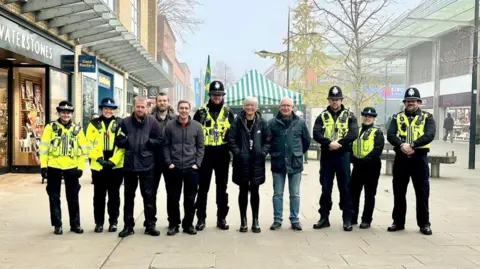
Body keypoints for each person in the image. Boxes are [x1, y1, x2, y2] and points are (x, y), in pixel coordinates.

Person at [387, 87, 435, 235]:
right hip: (401, 158)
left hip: (419, 159)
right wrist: (402, 145)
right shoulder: (397, 117)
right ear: (404, 102)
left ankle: (424, 224)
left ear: (419, 102)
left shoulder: (428, 117)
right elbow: (390, 134)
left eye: (414, 101)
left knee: (422, 192)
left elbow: (429, 135)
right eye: (408, 101)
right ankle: (398, 222)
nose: (411, 103)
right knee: (399, 192)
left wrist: (412, 145)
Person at [39, 101, 89, 235]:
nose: (65, 114)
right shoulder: (50, 128)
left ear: (71, 114)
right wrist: (43, 166)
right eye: (63, 112)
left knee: (73, 197)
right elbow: (43, 148)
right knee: (54, 196)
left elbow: (83, 150)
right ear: (59, 113)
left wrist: (80, 167)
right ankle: (57, 225)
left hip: (72, 167)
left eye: (68, 112)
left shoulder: (78, 130)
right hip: (54, 167)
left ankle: (75, 224)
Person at [312, 86, 358, 232]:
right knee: (326, 188)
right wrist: (328, 143)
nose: (335, 102)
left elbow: (354, 132)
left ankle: (347, 219)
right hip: (327, 157)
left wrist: (339, 143)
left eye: (337, 99)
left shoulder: (350, 115)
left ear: (341, 100)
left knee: (345, 188)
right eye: (332, 99)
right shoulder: (322, 116)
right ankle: (324, 218)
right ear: (329, 100)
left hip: (343, 156)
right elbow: (316, 133)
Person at [115, 96, 162, 238]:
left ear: (147, 108)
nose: (140, 109)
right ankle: (128, 226)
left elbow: (159, 140)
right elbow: (118, 140)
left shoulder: (152, 122)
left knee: (148, 197)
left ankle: (150, 225)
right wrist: (127, 142)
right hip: (130, 166)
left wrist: (149, 144)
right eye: (138, 107)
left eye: (143, 107)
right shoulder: (125, 122)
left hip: (147, 166)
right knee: (129, 197)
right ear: (134, 107)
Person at [193, 80, 235, 231]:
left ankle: (221, 218)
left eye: (219, 94)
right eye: (214, 94)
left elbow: (235, 134)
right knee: (203, 187)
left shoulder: (229, 112)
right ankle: (201, 218)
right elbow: (193, 133)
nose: (217, 97)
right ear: (210, 95)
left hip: (223, 153)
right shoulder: (201, 112)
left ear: (223, 95)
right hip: (205, 153)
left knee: (222, 188)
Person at [227, 97, 271, 233]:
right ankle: (243, 221)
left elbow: (268, 139)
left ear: (256, 107)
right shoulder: (237, 122)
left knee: (255, 191)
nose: (249, 108)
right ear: (243, 107)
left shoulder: (262, 123)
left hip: (257, 162)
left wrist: (262, 152)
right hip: (242, 162)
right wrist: (238, 153)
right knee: (243, 191)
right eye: (247, 105)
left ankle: (256, 221)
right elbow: (231, 139)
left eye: (252, 105)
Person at [268, 97, 311, 231]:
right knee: (278, 193)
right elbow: (268, 141)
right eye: (283, 105)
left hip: (295, 163)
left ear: (293, 108)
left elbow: (306, 141)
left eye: (288, 105)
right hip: (278, 162)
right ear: (279, 107)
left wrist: (297, 153)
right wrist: (274, 152)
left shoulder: (301, 122)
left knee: (295, 194)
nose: (286, 108)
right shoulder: (272, 123)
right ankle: (277, 219)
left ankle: (294, 219)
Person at [163, 100, 205, 235]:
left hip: (191, 168)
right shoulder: (169, 126)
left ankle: (188, 224)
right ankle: (173, 224)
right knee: (173, 198)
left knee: (190, 198)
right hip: (174, 168)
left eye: (186, 108)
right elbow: (166, 146)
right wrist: (169, 163)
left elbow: (200, 147)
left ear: (189, 110)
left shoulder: (197, 127)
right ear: (178, 109)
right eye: (181, 108)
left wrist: (197, 163)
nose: (184, 111)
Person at [86, 98, 124, 233]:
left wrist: (113, 161)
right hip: (99, 165)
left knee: (114, 196)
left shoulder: (120, 123)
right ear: (102, 109)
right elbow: (89, 144)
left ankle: (113, 222)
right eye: (106, 108)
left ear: (114, 110)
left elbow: (122, 145)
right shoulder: (93, 124)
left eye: (111, 108)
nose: (109, 111)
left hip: (115, 165)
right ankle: (99, 223)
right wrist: (99, 159)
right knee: (99, 196)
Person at [350, 107, 384, 229]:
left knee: (369, 195)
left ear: (374, 118)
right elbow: (350, 146)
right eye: (365, 115)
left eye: (370, 116)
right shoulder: (356, 130)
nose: (367, 118)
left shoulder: (377, 132)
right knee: (354, 193)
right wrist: (353, 159)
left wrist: (364, 160)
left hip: (371, 167)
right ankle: (352, 217)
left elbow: (377, 150)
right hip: (357, 166)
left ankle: (366, 220)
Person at [150, 91, 176, 228]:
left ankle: (172, 221)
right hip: (153, 162)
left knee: (172, 194)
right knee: (151, 194)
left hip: (170, 162)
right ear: (156, 102)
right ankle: (151, 221)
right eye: (160, 101)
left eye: (164, 100)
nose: (162, 103)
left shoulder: (175, 119)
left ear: (168, 101)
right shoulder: (149, 119)